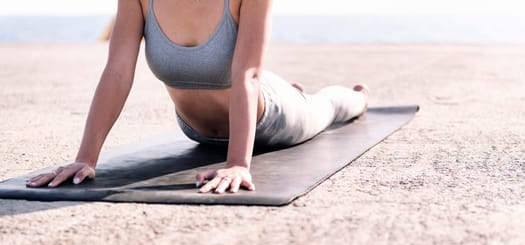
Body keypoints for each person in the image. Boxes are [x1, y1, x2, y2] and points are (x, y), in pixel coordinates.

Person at [26, 0, 369, 194]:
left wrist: (237, 164)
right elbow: (116, 72)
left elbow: (247, 75)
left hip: (271, 121)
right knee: (276, 89)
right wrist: (86, 158)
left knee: (329, 106)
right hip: (197, 129)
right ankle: (291, 90)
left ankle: (355, 97)